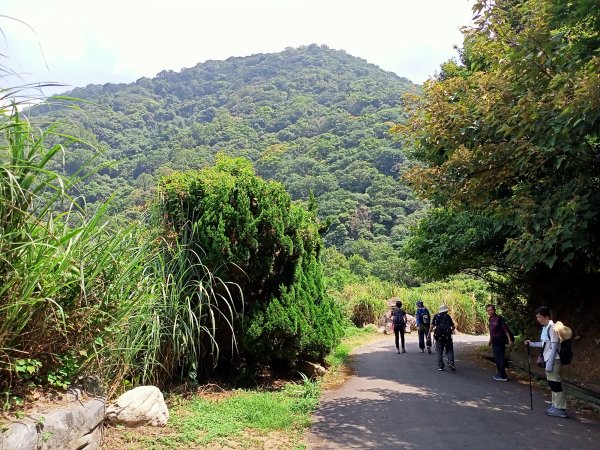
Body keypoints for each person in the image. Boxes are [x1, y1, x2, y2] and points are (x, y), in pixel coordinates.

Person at [524, 306, 567, 418]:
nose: (538, 319)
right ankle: (555, 405)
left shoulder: (552, 328)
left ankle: (560, 408)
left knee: (555, 384)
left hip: (553, 360)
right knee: (552, 384)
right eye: (537, 317)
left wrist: (549, 363)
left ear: (546, 317)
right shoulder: (545, 328)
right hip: (549, 359)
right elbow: (545, 344)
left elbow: (554, 346)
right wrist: (532, 344)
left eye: (539, 317)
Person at [486, 304, 514, 381]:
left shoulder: (499, 318)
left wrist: (509, 339)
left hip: (500, 339)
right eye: (488, 310)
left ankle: (503, 376)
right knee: (497, 358)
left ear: (494, 310)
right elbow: (491, 331)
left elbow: (505, 329)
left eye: (491, 310)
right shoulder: (490, 319)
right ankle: (500, 372)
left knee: (500, 357)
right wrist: (490, 340)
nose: (489, 311)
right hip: (494, 340)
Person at [429, 305, 455, 371]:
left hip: (438, 336)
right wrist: (451, 331)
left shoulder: (436, 316)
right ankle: (451, 362)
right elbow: (453, 326)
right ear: (446, 310)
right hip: (447, 336)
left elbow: (432, 326)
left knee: (439, 352)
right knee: (449, 350)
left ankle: (441, 366)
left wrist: (428, 334)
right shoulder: (448, 317)